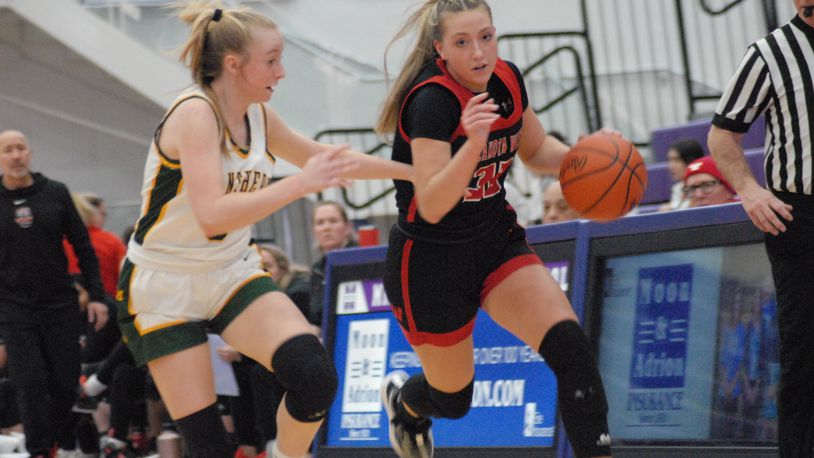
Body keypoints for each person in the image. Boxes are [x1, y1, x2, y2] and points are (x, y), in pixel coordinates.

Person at [115, 4, 413, 458]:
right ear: (234, 64)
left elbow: (325, 160)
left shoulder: (260, 117)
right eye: (271, 59)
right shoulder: (195, 114)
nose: (283, 71)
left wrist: (417, 171)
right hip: (164, 284)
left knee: (314, 376)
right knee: (209, 445)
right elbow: (213, 213)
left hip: (230, 271)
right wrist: (301, 183)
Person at [374, 1, 611, 457]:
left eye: (486, 37)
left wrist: (590, 159)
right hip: (429, 264)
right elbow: (435, 203)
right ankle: (405, 404)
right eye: (462, 42)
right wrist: (474, 142)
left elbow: (537, 150)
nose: (479, 52)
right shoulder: (431, 101)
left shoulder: (506, 78)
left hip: (493, 241)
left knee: (571, 349)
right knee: (454, 399)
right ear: (440, 49)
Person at [707, 4, 813, 454]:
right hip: (801, 215)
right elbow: (721, 135)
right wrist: (749, 189)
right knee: (805, 355)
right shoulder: (769, 53)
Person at [0, 129, 109, 458]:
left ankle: (49, 441)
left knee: (66, 387)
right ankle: (40, 450)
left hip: (60, 305)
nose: (16, 155)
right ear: (1, 158)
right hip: (14, 308)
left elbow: (84, 249)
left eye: (21, 148)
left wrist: (99, 297)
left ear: (30, 154)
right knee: (30, 384)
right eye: (8, 150)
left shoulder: (56, 193)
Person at [308, 201, 356, 328]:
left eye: (333, 221)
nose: (326, 227)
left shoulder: (361, 259)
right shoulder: (317, 269)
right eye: (320, 223)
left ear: (347, 228)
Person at [660, 139, 705, 211]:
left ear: (691, 160)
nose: (671, 166)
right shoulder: (677, 188)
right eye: (670, 160)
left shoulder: (706, 189)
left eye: (676, 160)